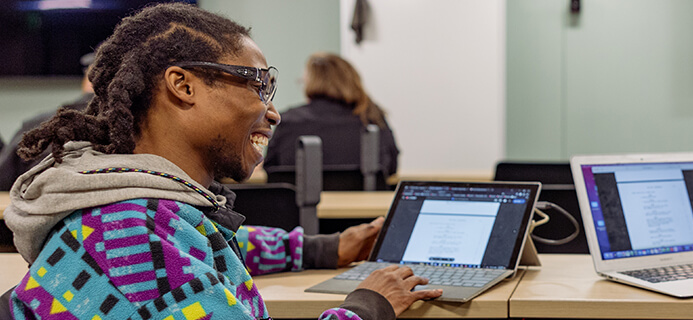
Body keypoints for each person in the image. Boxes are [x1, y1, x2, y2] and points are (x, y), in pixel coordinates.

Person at [3, 4, 439, 319]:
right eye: (257, 84)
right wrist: (368, 305)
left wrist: (326, 247)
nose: (273, 111)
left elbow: (204, 243)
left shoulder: (142, 207)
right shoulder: (129, 229)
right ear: (183, 86)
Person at [263, 52, 399, 188]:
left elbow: (271, 171)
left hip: (297, 207)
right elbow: (392, 168)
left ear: (312, 84)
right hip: (362, 207)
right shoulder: (372, 118)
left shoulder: (288, 121)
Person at [0, 55, 95, 191]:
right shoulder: (132, 131)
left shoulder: (41, 125)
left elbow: (3, 178)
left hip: (42, 208)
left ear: (90, 78)